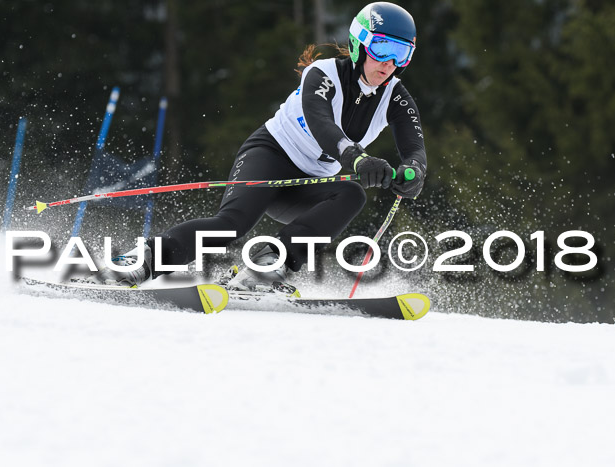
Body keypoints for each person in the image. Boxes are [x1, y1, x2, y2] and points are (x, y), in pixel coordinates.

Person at [89, 1, 427, 293]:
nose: (388, 63)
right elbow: (324, 126)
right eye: (382, 48)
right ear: (359, 44)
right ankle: (142, 259)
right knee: (231, 225)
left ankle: (269, 261)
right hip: (270, 156)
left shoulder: (396, 96)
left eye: (401, 54)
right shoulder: (322, 74)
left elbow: (414, 148)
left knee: (352, 194)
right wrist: (358, 158)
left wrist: (412, 173)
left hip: (308, 184)